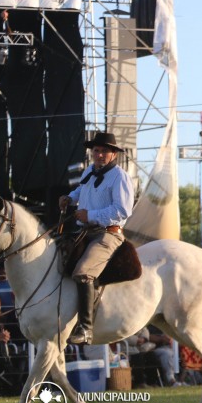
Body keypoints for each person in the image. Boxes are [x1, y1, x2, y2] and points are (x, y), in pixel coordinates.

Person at [59, 132, 134, 345]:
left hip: (108, 234)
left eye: (104, 151)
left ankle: (86, 329)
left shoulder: (120, 177)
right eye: (97, 150)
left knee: (83, 273)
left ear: (114, 155)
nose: (99, 154)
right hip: (86, 231)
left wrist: (90, 215)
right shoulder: (91, 171)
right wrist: (69, 199)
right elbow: (81, 191)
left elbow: (122, 211)